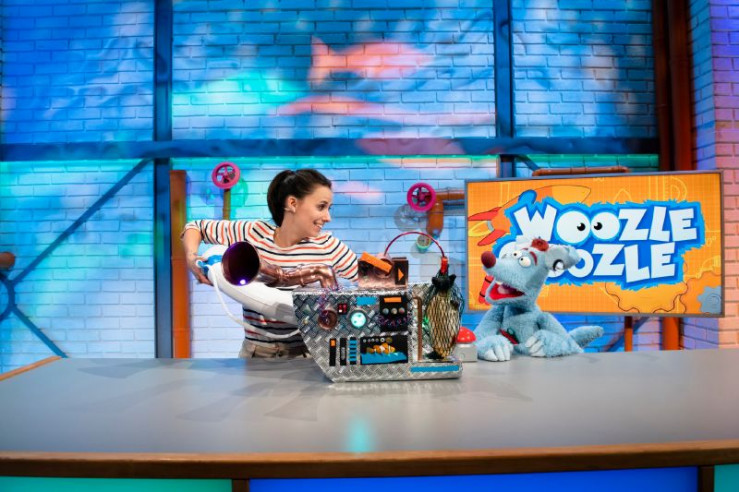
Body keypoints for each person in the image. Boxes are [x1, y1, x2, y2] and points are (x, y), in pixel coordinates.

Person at [182, 168, 358, 358]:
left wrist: (376, 271)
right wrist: (191, 257)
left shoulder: (329, 246)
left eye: (329, 208)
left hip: (306, 354)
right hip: (256, 353)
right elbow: (195, 227)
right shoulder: (253, 233)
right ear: (292, 203)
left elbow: (365, 281)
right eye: (321, 207)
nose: (328, 217)